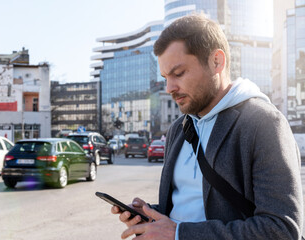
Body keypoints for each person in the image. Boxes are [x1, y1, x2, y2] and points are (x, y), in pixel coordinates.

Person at [111, 14, 304, 239]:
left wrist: (180, 234)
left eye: (178, 73)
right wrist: (150, 214)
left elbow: (281, 229)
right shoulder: (179, 129)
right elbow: (191, 208)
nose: (169, 87)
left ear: (216, 62)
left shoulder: (264, 123)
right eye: (165, 77)